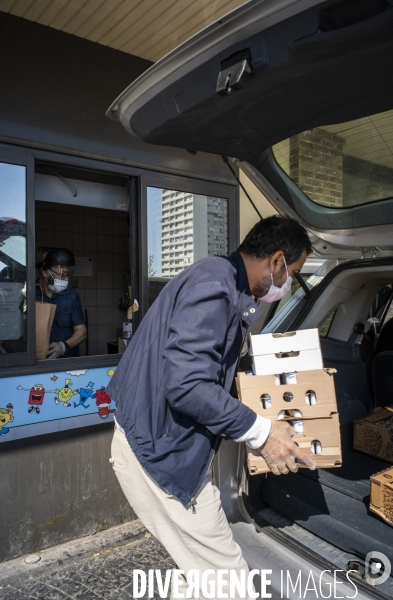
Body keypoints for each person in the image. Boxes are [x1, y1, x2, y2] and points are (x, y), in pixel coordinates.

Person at [106, 216, 316, 599]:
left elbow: (201, 369)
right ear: (277, 261)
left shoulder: (222, 281)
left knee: (197, 576)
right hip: (159, 453)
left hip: (158, 440)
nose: (288, 285)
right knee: (230, 581)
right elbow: (187, 384)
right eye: (294, 274)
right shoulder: (214, 285)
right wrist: (262, 433)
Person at [35, 248, 87, 359]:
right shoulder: (29, 295)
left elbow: (81, 331)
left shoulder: (71, 296)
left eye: (68, 274)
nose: (66, 279)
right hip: (37, 362)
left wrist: (63, 346)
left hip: (67, 362)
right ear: (45, 272)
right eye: (62, 275)